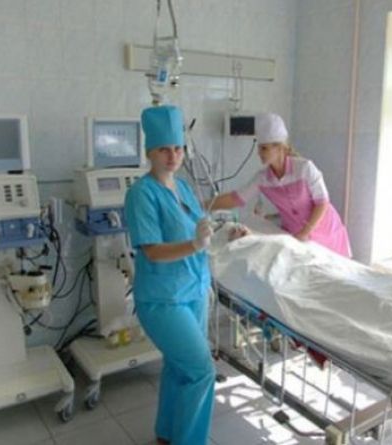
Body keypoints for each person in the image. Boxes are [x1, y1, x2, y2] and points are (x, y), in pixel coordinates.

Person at [124, 105, 215, 445]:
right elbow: (152, 250)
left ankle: (167, 433)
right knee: (201, 370)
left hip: (194, 290)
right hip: (163, 299)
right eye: (164, 149)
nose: (173, 155)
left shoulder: (185, 188)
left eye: (178, 148)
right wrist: (194, 244)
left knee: (180, 367)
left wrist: (221, 234)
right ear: (150, 151)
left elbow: (199, 229)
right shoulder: (141, 193)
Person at [210, 112, 352, 257]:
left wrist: (305, 232)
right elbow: (236, 198)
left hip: (327, 233)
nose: (259, 153)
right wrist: (204, 205)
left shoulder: (304, 169)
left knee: (335, 268)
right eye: (259, 148)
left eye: (264, 148)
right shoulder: (263, 178)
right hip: (296, 237)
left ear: (280, 148)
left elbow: (322, 203)